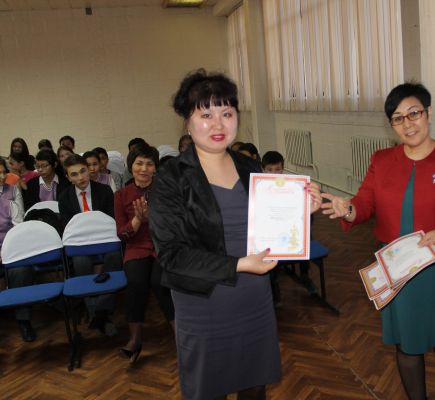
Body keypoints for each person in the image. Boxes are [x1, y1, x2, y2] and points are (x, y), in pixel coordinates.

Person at [150, 69, 322, 400]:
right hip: (203, 302)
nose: (218, 124)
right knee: (208, 390)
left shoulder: (250, 168)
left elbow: (275, 233)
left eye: (227, 113)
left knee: (254, 386)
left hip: (253, 296)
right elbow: (171, 255)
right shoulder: (171, 177)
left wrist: (302, 213)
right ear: (187, 122)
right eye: (206, 115)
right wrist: (240, 264)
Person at [322, 82, 435, 400]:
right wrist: (349, 208)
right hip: (398, 269)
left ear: (429, 113)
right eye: (398, 118)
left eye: (414, 114)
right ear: (391, 125)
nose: (407, 124)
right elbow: (365, 202)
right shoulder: (382, 160)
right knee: (408, 347)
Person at [115, 143, 174, 363]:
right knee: (136, 282)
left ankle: (182, 336)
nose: (144, 168)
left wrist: (154, 219)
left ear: (155, 168)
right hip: (136, 248)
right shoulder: (121, 195)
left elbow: (175, 227)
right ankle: (135, 340)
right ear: (131, 166)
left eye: (149, 164)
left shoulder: (167, 191)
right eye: (139, 163)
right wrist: (138, 220)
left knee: (161, 282)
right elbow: (122, 234)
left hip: (163, 247)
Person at [58, 154, 122, 336]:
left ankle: (102, 311)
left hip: (105, 240)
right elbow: (68, 227)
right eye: (74, 174)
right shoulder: (64, 197)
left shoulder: (104, 191)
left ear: (89, 169)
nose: (81, 177)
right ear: (68, 178)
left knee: (114, 256)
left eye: (83, 171)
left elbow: (112, 220)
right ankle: (97, 313)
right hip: (81, 244)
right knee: (80, 262)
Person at [261, 151, 317, 304]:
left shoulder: (293, 186)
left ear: (283, 168)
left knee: (305, 233)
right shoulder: (258, 187)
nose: (274, 174)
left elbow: (303, 213)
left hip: (289, 228)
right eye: (269, 170)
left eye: (278, 169)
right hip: (270, 232)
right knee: (267, 246)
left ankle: (304, 275)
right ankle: (273, 283)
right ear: (263, 169)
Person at [0, 158, 30, 341]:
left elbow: (19, 225)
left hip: (10, 245)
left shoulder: (13, 190)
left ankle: (24, 320)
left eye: (4, 172)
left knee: (21, 270)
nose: (2, 176)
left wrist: (6, 250)